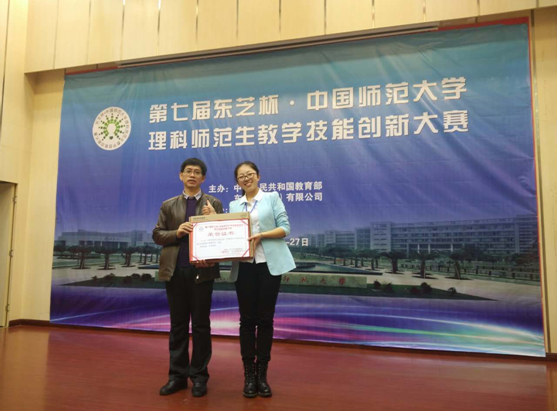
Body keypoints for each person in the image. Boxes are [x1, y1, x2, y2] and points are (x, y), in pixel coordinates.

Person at [152, 158, 223, 398]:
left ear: (203, 178)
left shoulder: (213, 203)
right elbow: (157, 235)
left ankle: (200, 377)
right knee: (178, 325)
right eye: (188, 171)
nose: (192, 175)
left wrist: (214, 217)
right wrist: (177, 232)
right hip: (175, 271)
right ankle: (177, 376)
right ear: (181, 175)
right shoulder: (168, 205)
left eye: (197, 172)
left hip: (203, 272)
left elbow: (221, 235)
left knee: (201, 325)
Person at [229, 161, 296, 398]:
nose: (246, 179)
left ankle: (262, 374)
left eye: (250, 174)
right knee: (247, 321)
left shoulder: (272, 198)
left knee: (265, 320)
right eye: (241, 176)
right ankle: (249, 374)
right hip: (244, 267)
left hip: (269, 265)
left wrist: (261, 235)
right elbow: (229, 233)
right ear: (237, 182)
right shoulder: (234, 205)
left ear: (258, 176)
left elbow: (285, 228)